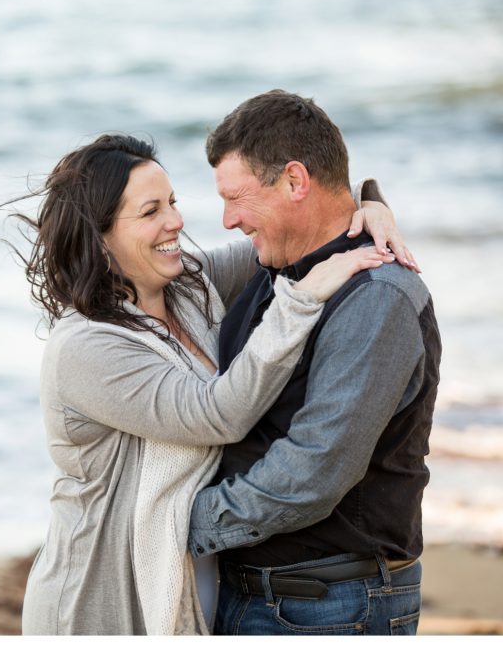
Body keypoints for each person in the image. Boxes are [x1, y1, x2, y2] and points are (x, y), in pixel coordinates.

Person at [4, 134, 408, 635]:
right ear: (100, 236)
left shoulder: (187, 288)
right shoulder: (87, 347)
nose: (175, 221)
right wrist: (299, 302)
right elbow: (217, 414)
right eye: (150, 211)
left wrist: (369, 208)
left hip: (188, 588)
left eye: (172, 202)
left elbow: (295, 228)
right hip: (98, 599)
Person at [186, 90, 442, 636]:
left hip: (330, 607)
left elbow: (313, 472)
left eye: (237, 198)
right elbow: (152, 273)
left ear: (296, 181)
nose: (228, 220)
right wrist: (372, 198)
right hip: (262, 596)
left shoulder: (378, 297)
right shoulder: (278, 266)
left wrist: (179, 521)